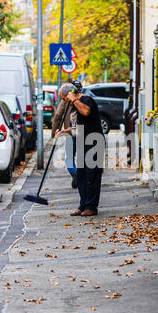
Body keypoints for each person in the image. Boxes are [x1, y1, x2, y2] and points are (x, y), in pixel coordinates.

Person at [55, 83, 104, 217]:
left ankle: (91, 207)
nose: (63, 102)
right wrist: (64, 131)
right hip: (82, 142)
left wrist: (74, 99)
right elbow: (76, 128)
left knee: (92, 175)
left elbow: (86, 112)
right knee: (81, 176)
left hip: (94, 142)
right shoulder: (72, 108)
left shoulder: (86, 100)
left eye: (63, 98)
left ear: (70, 95)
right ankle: (83, 205)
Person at [51, 80, 83, 189]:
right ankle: (80, 176)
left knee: (69, 159)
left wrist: (53, 134)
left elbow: (57, 116)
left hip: (70, 133)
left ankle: (76, 175)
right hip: (83, 133)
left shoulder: (65, 101)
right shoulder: (84, 100)